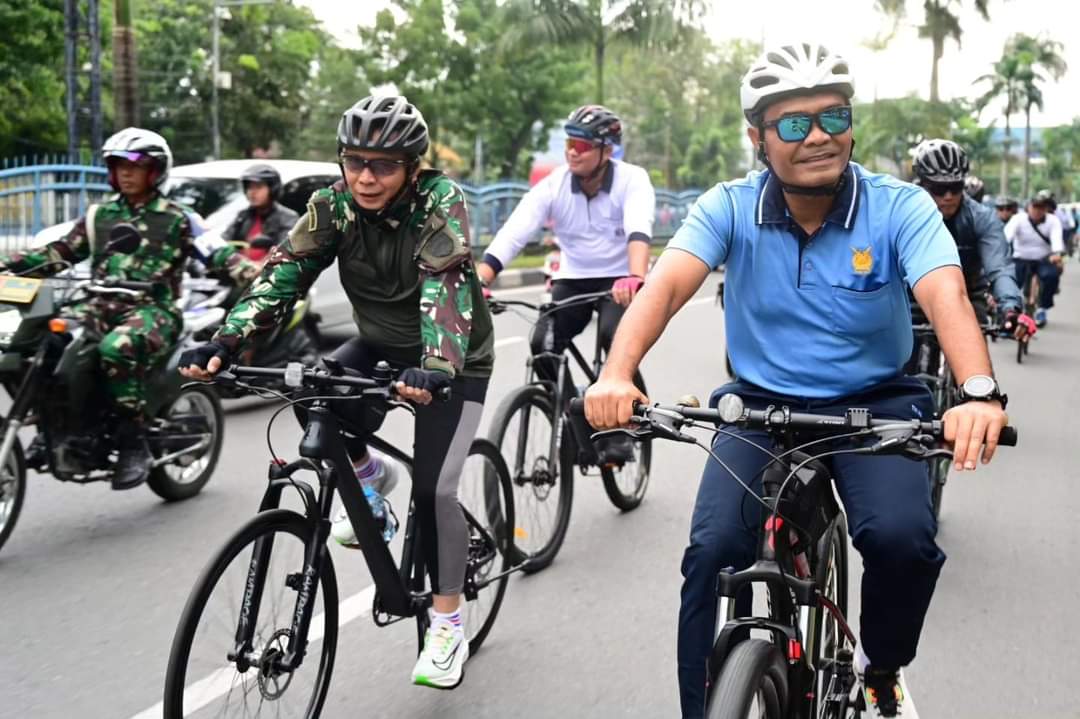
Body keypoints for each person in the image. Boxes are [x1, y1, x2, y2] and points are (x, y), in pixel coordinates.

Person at [584, 43, 1009, 719]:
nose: (817, 136)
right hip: (759, 405)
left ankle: (883, 669)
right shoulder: (727, 206)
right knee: (712, 550)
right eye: (791, 123)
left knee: (903, 539)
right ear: (757, 137)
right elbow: (662, 290)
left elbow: (946, 295)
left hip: (877, 403)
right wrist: (615, 371)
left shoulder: (898, 206)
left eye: (832, 116)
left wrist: (980, 391)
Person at [179, 95, 494, 690]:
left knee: (434, 489)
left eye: (383, 165)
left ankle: (447, 620)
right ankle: (369, 479)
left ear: (411, 166)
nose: (366, 177)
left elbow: (444, 285)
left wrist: (436, 366)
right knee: (311, 395)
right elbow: (283, 274)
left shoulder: (438, 200)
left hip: (453, 356)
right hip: (379, 343)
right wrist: (226, 340)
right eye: (355, 162)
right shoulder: (332, 205)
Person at [0, 127, 252, 489]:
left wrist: (256, 276)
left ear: (155, 171)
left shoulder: (179, 217)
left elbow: (220, 252)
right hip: (97, 304)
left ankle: (133, 439)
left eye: (136, 166)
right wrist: (9, 267)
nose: (126, 173)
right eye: (118, 166)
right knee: (44, 343)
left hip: (154, 308)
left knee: (115, 348)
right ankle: (53, 425)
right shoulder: (99, 216)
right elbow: (57, 254)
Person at [477, 104, 655, 462]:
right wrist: (480, 279)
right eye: (570, 143)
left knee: (613, 338)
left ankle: (622, 422)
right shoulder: (553, 186)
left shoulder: (632, 179)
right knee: (541, 342)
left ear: (607, 150)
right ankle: (575, 413)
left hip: (619, 279)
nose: (573, 151)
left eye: (583, 145)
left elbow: (639, 228)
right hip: (572, 279)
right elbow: (515, 231)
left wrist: (635, 277)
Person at [909, 139, 1028, 334]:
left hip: (966, 296)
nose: (948, 196)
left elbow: (1000, 268)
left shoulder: (982, 217)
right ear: (922, 184)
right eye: (939, 189)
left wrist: (1010, 308)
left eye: (955, 187)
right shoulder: (902, 212)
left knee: (975, 361)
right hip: (912, 297)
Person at [1005, 190, 1064, 327]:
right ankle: (1009, 311)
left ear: (1046, 209)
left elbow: (1056, 240)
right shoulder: (1018, 219)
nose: (1037, 210)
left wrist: (1056, 254)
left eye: (1041, 207)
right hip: (1020, 258)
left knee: (1051, 276)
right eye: (1034, 207)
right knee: (1010, 280)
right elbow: (1006, 237)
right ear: (1028, 207)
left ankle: (1043, 308)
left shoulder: (1053, 221)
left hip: (1043, 259)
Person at [220, 163, 299, 262]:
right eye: (249, 187)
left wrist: (260, 266)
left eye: (258, 187)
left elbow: (284, 251)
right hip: (238, 273)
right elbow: (224, 240)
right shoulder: (243, 216)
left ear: (272, 189)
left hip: (269, 274)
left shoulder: (288, 218)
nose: (252, 192)